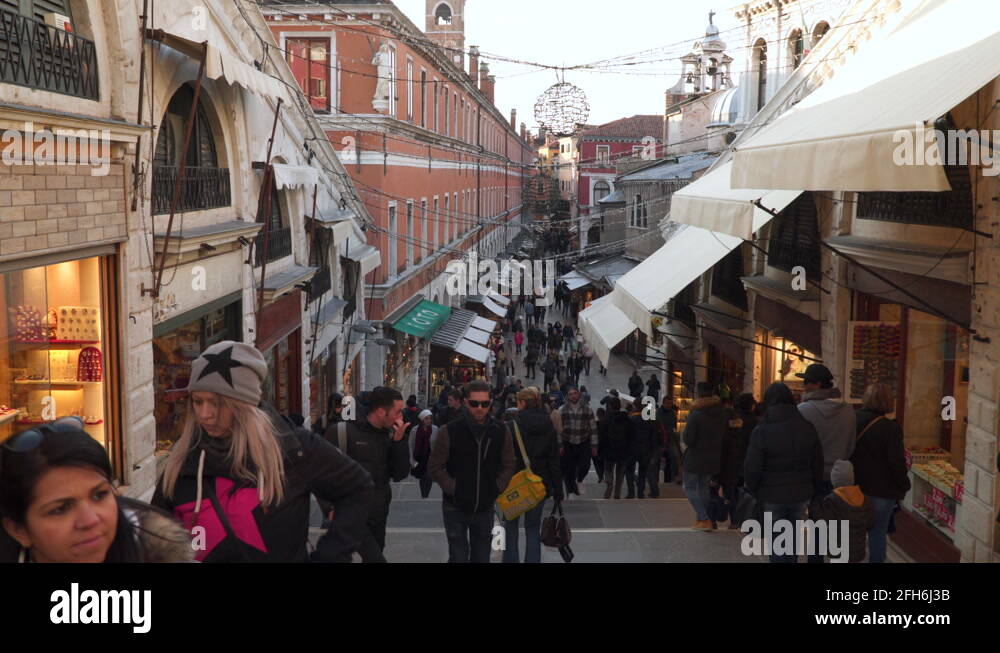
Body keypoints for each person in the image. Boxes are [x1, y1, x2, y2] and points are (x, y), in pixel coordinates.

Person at [154, 341, 374, 562]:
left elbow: (358, 487)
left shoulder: (292, 448)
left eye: (217, 403)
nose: (204, 414)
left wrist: (331, 555)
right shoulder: (183, 459)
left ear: (244, 405)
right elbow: (154, 535)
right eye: (197, 401)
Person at [1, 417, 194, 563]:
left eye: (99, 495)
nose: (90, 520)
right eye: (61, 508)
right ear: (19, 530)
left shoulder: (157, 552)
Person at [429, 381, 516, 563]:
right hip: (455, 506)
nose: (480, 408)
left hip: (485, 507)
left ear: (490, 403)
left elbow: (509, 464)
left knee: (482, 557)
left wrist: (496, 487)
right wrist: (453, 488)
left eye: (484, 404)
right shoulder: (449, 431)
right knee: (458, 557)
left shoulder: (500, 430)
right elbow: (435, 467)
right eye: (475, 403)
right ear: (466, 403)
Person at [329, 386, 411, 563]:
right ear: (382, 412)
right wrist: (328, 507)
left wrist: (399, 442)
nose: (400, 417)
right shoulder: (342, 431)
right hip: (350, 512)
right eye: (397, 412)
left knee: (375, 553)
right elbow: (320, 472)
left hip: (378, 512)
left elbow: (400, 473)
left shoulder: (389, 434)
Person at [744, 382, 825, 563]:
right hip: (801, 492)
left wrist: (753, 488)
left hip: (772, 493)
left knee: (778, 541)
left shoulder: (762, 430)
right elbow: (817, 462)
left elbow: (752, 466)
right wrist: (814, 488)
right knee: (792, 536)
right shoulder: (807, 427)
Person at [796, 364, 856, 563]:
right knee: (838, 524)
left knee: (816, 524)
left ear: (817, 384)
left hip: (815, 475)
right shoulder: (848, 411)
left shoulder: (803, 411)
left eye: (807, 382)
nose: (804, 386)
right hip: (840, 476)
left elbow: (800, 447)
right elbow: (850, 445)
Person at [850, 383, 910, 564]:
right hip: (882, 489)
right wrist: (903, 484)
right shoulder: (891, 428)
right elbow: (896, 461)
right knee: (877, 533)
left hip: (854, 486)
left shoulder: (852, 419)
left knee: (854, 531)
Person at [503, 387, 563, 563]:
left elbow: (503, 458)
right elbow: (554, 461)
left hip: (514, 483)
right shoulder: (548, 425)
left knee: (511, 527)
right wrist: (558, 489)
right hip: (539, 484)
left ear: (521, 403)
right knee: (532, 528)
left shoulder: (511, 426)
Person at [681, 382, 729, 530]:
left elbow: (688, 439)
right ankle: (701, 521)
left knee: (688, 487)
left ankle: (704, 518)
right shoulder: (722, 413)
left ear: (698, 393)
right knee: (703, 488)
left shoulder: (695, 414)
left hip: (695, 457)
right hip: (713, 456)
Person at [812, 460, 874, 563]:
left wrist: (814, 503)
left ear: (834, 480)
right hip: (858, 553)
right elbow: (870, 523)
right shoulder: (865, 500)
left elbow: (822, 521)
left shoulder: (832, 500)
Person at [558, 387, 598, 497]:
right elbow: (558, 430)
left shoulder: (587, 409)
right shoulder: (562, 410)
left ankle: (580, 479)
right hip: (568, 442)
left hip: (583, 441)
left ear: (579, 394)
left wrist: (594, 445)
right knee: (569, 467)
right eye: (570, 394)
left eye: (575, 393)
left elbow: (593, 428)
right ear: (567, 396)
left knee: (585, 465)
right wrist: (560, 445)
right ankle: (571, 487)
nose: (573, 396)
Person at [601, 397, 633, 499]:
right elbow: (630, 436)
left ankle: (609, 484)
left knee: (608, 469)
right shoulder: (626, 419)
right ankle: (617, 493)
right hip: (623, 451)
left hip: (609, 450)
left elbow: (602, 437)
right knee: (620, 473)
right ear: (620, 406)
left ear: (610, 406)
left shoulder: (606, 420)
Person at [627, 402, 657, 499]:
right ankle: (641, 492)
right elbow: (653, 437)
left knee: (629, 471)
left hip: (632, 448)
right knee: (642, 472)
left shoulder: (630, 419)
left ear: (635, 406)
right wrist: (652, 450)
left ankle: (631, 492)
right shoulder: (649, 420)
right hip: (645, 448)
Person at [409, 410, 438, 499]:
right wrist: (411, 459)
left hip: (430, 455)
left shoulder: (435, 429)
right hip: (419, 456)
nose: (429, 420)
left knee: (428, 476)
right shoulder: (415, 430)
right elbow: (411, 444)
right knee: (422, 476)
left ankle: (425, 494)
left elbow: (437, 443)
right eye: (426, 418)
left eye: (430, 418)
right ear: (422, 419)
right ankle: (424, 494)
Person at [657, 398, 681, 484]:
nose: (669, 405)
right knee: (659, 460)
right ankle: (657, 479)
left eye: (670, 404)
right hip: (661, 439)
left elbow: (674, 427)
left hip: (670, 438)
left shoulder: (672, 414)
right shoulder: (658, 413)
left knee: (674, 457)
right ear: (663, 403)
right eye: (667, 403)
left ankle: (672, 477)